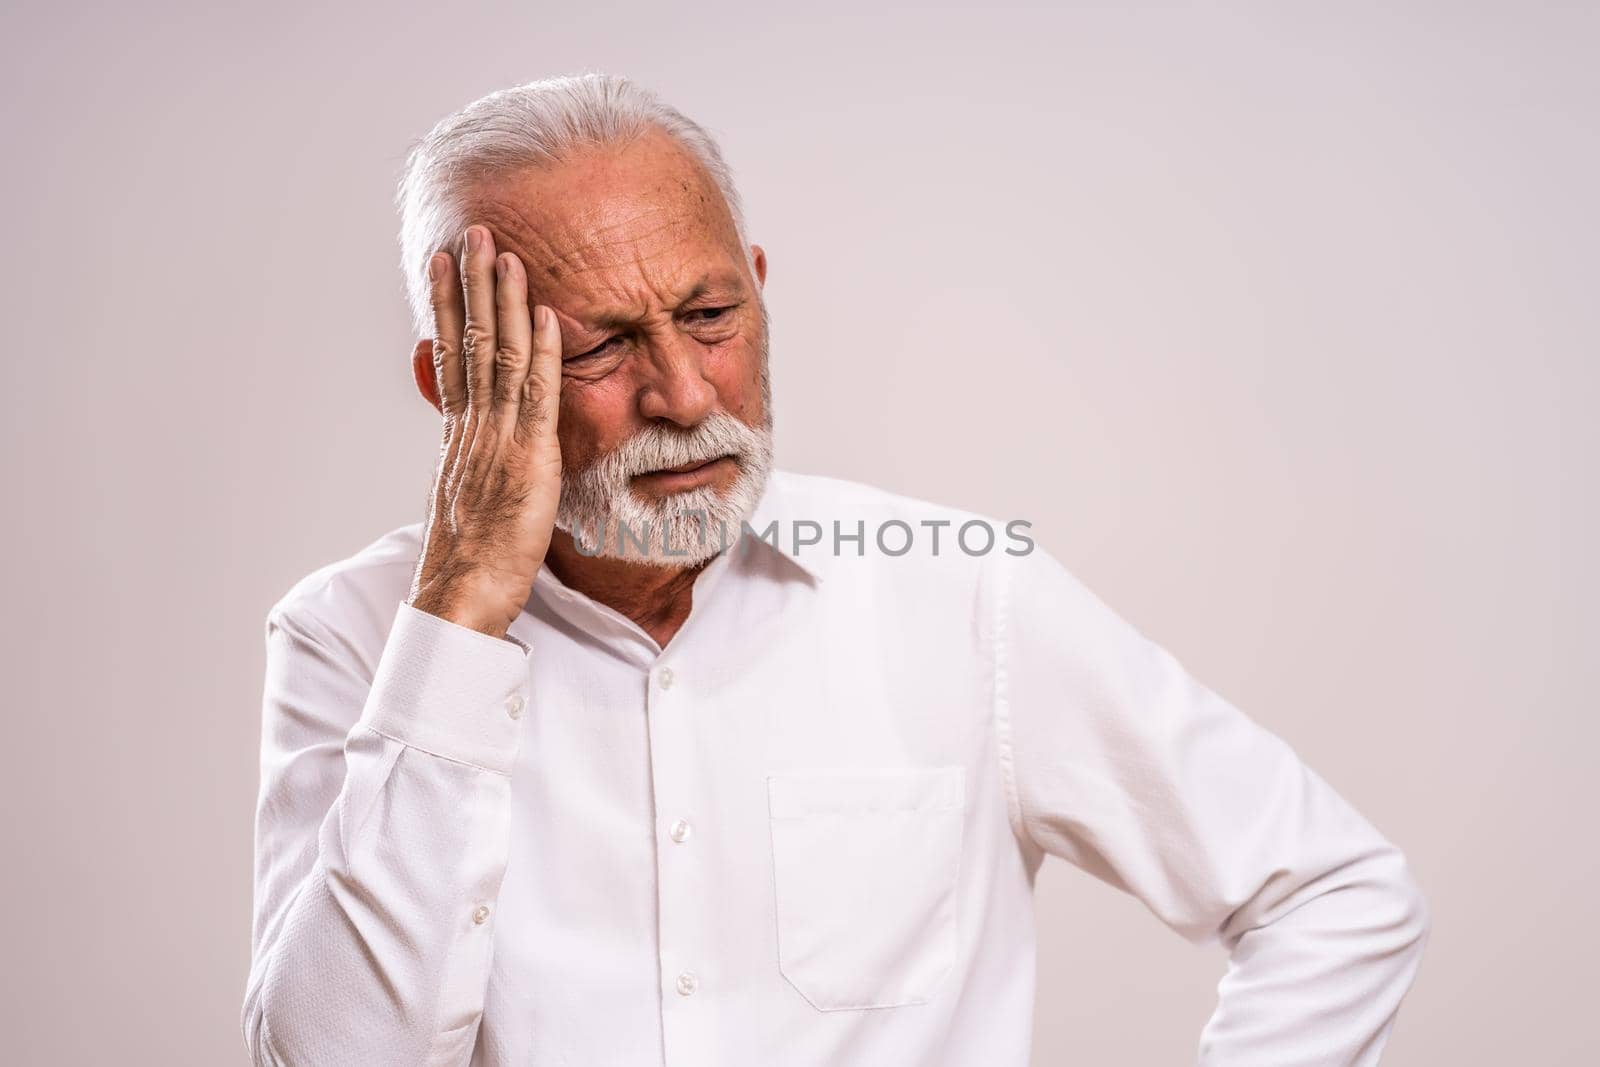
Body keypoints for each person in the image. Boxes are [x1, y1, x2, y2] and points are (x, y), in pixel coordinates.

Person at [241, 74, 1429, 1066]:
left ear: (757, 280)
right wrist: (457, 619)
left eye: (710, 314)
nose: (686, 395)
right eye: (601, 344)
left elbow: (1333, 890)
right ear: (456, 381)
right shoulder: (353, 634)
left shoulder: (964, 593)